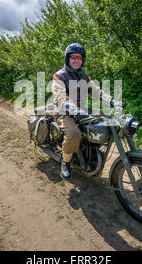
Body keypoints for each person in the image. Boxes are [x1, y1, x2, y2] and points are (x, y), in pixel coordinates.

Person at [51, 43, 124, 179]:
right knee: (73, 134)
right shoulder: (59, 76)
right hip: (64, 113)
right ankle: (66, 162)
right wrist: (75, 110)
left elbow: (97, 92)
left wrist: (113, 101)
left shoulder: (83, 76)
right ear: (67, 59)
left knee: (109, 120)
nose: (76, 60)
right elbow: (61, 99)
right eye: (73, 57)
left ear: (82, 60)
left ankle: (92, 152)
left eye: (79, 58)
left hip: (82, 110)